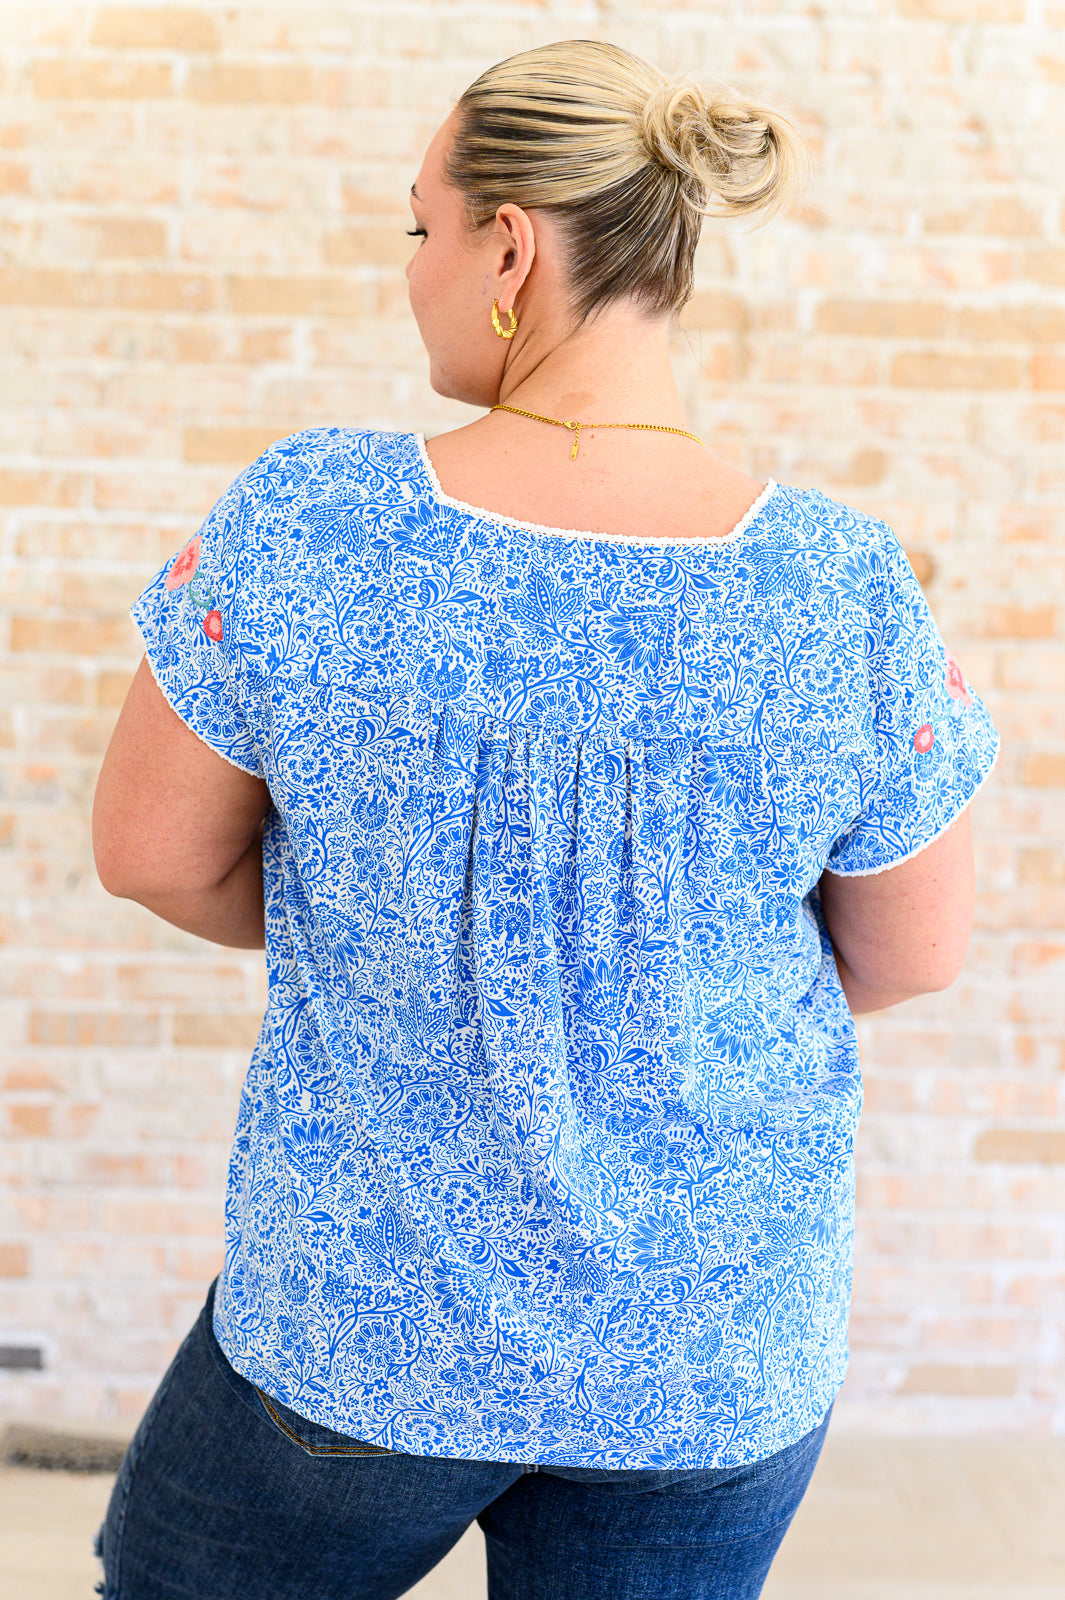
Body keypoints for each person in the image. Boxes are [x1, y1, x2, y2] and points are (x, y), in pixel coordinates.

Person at [90, 38, 1000, 1600]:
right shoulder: (844, 588)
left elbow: (152, 853)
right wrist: (644, 978)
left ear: (507, 245)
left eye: (417, 229)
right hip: (703, 1349)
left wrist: (395, 933)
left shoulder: (313, 520)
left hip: (367, 1324)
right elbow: (913, 953)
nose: (413, 270)